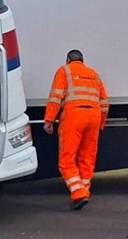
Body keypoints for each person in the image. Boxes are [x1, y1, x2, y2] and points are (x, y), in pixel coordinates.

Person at [43, 50, 109, 211]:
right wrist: (100, 124)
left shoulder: (64, 71)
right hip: (94, 115)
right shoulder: (93, 74)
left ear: (68, 60)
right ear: (82, 60)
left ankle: (78, 192)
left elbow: (55, 97)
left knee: (67, 158)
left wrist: (49, 120)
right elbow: (105, 102)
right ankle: (85, 190)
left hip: (74, 115)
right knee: (87, 156)